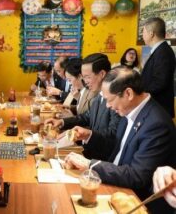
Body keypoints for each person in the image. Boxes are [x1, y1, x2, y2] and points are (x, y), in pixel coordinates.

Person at [64, 67, 176, 213]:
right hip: (114, 184)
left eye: (110, 100)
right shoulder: (129, 110)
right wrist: (89, 135)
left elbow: (137, 176)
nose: (108, 106)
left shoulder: (157, 124)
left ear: (128, 93)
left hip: (134, 200)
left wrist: (89, 164)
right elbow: (114, 146)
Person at [45, 53, 121, 160]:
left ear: (102, 74)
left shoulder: (116, 99)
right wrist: (62, 122)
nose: (84, 81)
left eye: (87, 77)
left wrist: (88, 134)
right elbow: (86, 117)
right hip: (87, 153)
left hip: (100, 160)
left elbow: (113, 134)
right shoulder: (99, 95)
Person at [141, 17, 175, 118]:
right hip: (155, 107)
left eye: (143, 32)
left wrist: (140, 92)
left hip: (159, 108)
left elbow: (160, 82)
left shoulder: (163, 52)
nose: (142, 35)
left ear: (151, 33)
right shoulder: (160, 50)